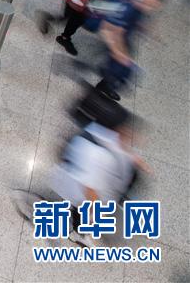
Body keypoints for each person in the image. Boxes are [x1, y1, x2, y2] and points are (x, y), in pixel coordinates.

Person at [48, 103, 146, 245]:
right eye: (125, 130)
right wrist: (99, 214)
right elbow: (90, 190)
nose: (130, 134)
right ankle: (79, 234)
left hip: (88, 176)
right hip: (77, 186)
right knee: (82, 213)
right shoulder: (93, 153)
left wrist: (134, 159)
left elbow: (119, 148)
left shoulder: (104, 132)